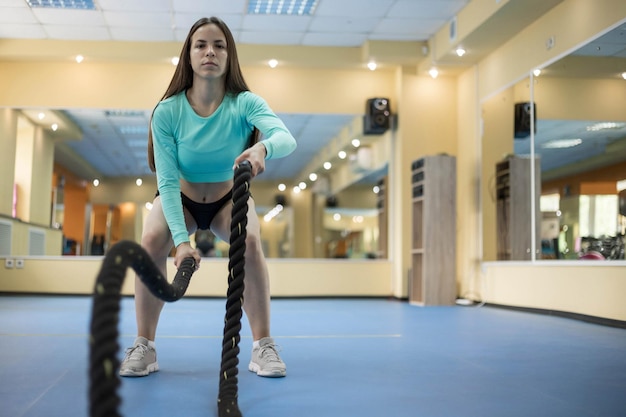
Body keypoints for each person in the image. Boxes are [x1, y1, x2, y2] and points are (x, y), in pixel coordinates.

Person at [119, 16, 297, 379]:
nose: (210, 52)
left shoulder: (245, 103)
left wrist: (263, 147)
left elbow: (286, 138)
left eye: (219, 45)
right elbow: (167, 183)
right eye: (201, 45)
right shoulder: (168, 111)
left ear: (229, 56)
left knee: (247, 239)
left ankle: (263, 344)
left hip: (226, 198)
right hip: (180, 197)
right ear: (188, 55)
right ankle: (144, 345)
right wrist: (181, 243)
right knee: (152, 238)